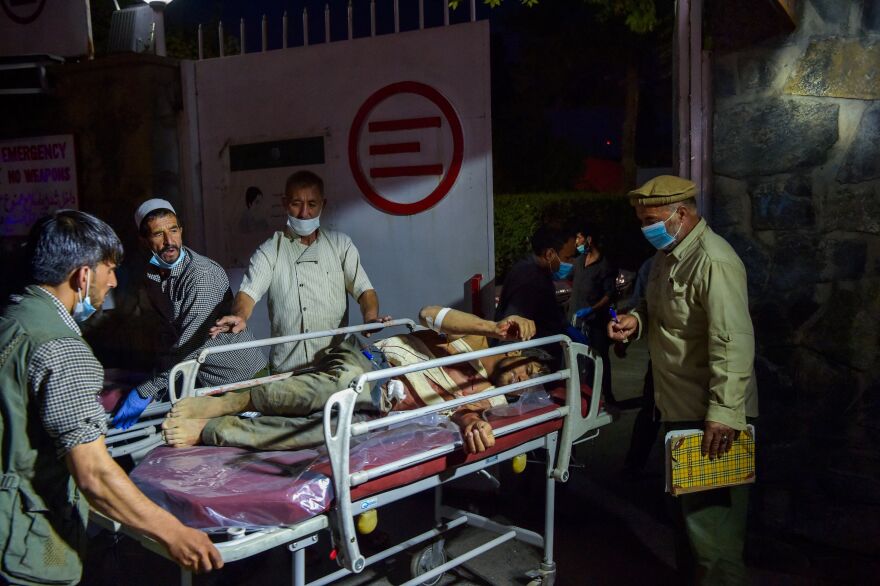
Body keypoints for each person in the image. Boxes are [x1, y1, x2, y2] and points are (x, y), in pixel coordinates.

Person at [0, 210, 221, 584]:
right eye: (109, 270)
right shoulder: (63, 349)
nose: (114, 281)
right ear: (83, 275)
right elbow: (95, 474)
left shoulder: (14, 318)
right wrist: (174, 532)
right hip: (22, 538)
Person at [607, 175, 758, 585]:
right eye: (641, 220)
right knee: (689, 531)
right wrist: (634, 322)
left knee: (713, 537)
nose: (646, 228)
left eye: (652, 219)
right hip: (678, 411)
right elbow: (658, 309)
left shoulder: (713, 259)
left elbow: (733, 341)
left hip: (709, 417)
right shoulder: (668, 255)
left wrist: (725, 412)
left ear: (683, 213)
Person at [162, 307, 552, 455]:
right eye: (528, 371)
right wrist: (494, 328)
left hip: (383, 409)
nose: (521, 382)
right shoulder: (479, 339)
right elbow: (429, 313)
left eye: (529, 386)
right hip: (372, 364)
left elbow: (463, 414)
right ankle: (234, 401)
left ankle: (216, 430)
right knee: (332, 389)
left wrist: (471, 421)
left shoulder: (499, 399)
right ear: (521, 353)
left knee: (317, 435)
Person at [210, 170, 389, 374]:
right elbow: (248, 293)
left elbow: (365, 291)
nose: (304, 213)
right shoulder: (270, 250)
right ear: (285, 203)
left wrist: (370, 317)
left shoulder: (341, 245)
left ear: (324, 204)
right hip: (287, 370)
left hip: (335, 365)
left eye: (312, 204)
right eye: (296, 204)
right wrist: (239, 316)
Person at [112, 199, 268, 430]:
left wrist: (146, 391)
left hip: (242, 382)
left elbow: (190, 345)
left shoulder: (201, 276)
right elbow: (167, 333)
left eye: (173, 230)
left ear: (181, 231)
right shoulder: (153, 275)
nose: (169, 241)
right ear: (144, 241)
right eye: (158, 234)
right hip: (207, 384)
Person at [494, 225, 577, 366]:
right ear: (550, 254)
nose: (571, 263)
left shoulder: (536, 271)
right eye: (567, 258)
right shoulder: (530, 280)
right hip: (533, 361)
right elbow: (512, 328)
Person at [568, 224, 617, 403]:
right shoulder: (580, 260)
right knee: (579, 358)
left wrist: (592, 309)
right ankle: (584, 396)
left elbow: (609, 295)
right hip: (577, 320)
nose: (577, 243)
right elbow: (570, 277)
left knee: (599, 358)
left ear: (589, 239)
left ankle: (607, 396)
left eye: (580, 238)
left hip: (596, 322)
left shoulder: (604, 265)